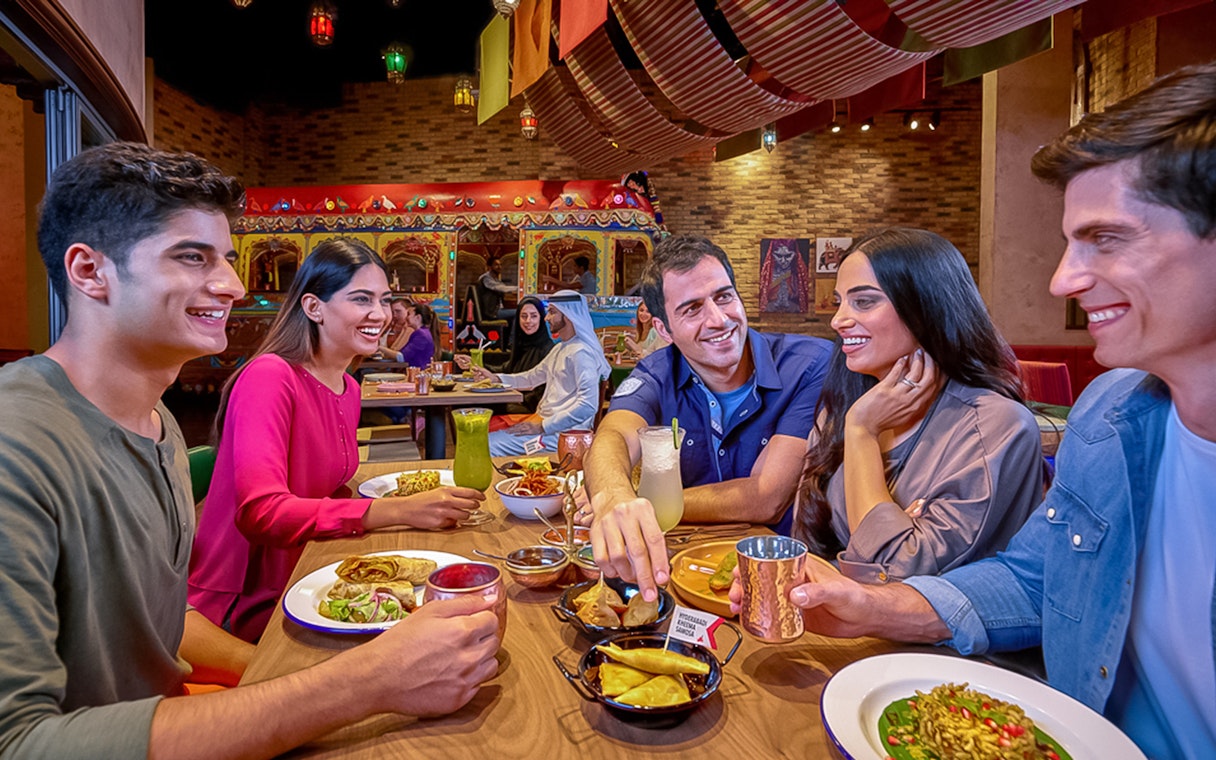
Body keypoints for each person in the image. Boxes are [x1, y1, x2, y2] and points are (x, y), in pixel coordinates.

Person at [732, 63, 1216, 759]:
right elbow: (1034, 578)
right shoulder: (1110, 417)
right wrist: (874, 607)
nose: (1062, 280)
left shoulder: (992, 423)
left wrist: (864, 446)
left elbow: (903, 560)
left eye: (1106, 239)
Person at [0, 142, 499, 759]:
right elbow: (20, 744)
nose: (234, 286)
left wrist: (280, 676)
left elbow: (161, 622)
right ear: (88, 271)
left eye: (228, 260)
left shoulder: (155, 422)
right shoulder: (15, 442)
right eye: (191, 257)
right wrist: (363, 682)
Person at [189, 239, 484, 642]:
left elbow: (330, 491)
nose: (379, 314)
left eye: (384, 300)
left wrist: (410, 508)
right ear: (313, 308)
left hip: (312, 572)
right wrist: (396, 511)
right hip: (248, 608)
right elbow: (262, 513)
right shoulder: (270, 377)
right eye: (361, 299)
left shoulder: (347, 385)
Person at [585, 234, 833, 601]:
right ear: (663, 330)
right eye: (692, 309)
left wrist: (642, 505)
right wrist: (612, 497)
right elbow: (613, 436)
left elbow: (766, 497)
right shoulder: (655, 372)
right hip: (685, 571)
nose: (718, 320)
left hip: (788, 582)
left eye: (724, 297)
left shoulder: (810, 364)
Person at [795, 227, 1042, 583]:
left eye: (864, 301)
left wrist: (863, 433)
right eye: (840, 302)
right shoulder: (845, 406)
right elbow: (807, 548)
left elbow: (892, 575)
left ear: (926, 307)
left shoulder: (996, 425)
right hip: (836, 628)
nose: (838, 321)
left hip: (933, 639)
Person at [468, 290, 608, 456]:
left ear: (568, 316)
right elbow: (531, 378)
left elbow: (588, 406)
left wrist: (543, 426)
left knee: (485, 444)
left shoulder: (581, 353)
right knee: (480, 437)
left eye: (552, 312)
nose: (546, 318)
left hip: (563, 435)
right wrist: (495, 378)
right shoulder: (561, 348)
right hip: (545, 426)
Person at [456, 295, 554, 413]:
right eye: (524, 316)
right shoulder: (521, 344)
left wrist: (515, 398)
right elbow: (507, 369)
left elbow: (542, 388)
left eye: (534, 316)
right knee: (463, 405)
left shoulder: (548, 349)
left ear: (541, 318)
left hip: (531, 407)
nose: (528, 321)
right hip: (513, 399)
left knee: (474, 407)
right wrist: (475, 364)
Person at [398, 301, 439, 368]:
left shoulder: (421, 334)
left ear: (418, 317)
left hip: (418, 373)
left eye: (409, 314)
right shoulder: (423, 332)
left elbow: (401, 357)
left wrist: (380, 348)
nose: (406, 317)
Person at [476, 256, 517, 321]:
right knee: (519, 312)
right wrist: (520, 288)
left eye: (500, 265)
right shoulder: (486, 279)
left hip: (498, 310)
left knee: (516, 314)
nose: (499, 267)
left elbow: (504, 288)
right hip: (491, 312)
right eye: (496, 265)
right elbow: (502, 288)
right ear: (489, 267)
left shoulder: (495, 279)